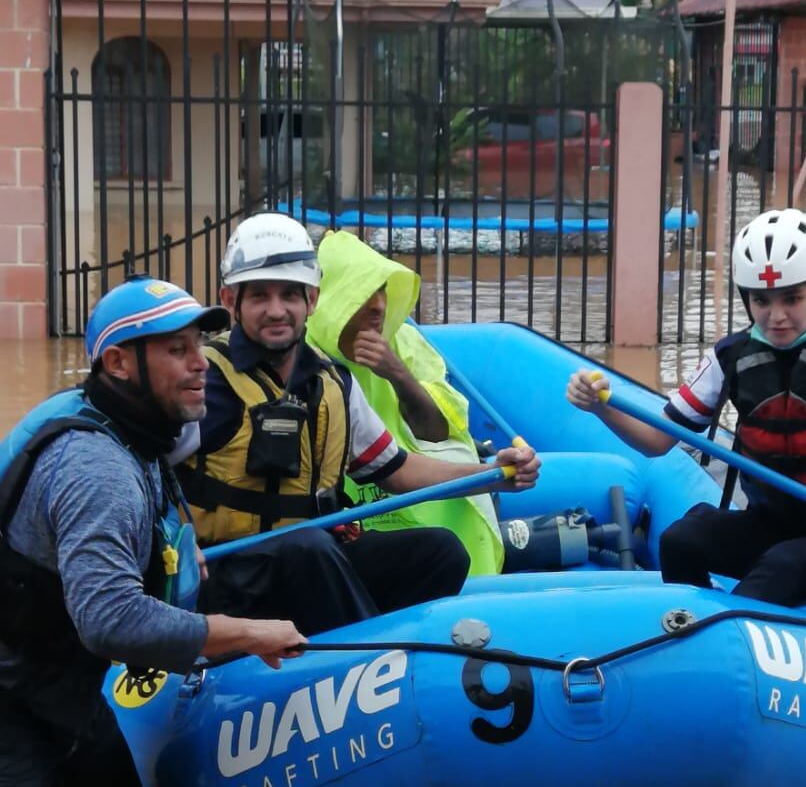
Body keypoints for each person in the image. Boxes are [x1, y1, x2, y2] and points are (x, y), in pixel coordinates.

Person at [0, 277, 307, 787]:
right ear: (118, 362)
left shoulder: (130, 433)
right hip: (10, 702)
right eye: (176, 350)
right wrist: (245, 632)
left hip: (58, 688)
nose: (201, 364)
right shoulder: (96, 467)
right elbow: (112, 620)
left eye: (199, 345)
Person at [567, 207, 806, 607]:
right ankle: (688, 633)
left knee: (783, 566)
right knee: (680, 541)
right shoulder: (731, 357)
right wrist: (601, 407)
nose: (776, 315)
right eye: (761, 300)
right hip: (776, 525)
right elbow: (656, 441)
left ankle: (726, 644)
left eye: (792, 298)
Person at [176, 213, 539, 635]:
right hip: (230, 574)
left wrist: (494, 474)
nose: (277, 311)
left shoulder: (333, 383)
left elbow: (397, 470)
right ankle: (374, 660)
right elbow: (147, 471)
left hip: (316, 558)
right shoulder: (205, 381)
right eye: (260, 296)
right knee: (306, 548)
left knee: (442, 551)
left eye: (290, 295)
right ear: (230, 299)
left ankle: (381, 652)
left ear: (311, 300)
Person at [305, 229, 503, 576]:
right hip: (351, 507)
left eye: (382, 292)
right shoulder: (305, 359)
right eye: (365, 293)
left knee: (448, 547)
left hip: (411, 479)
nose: (379, 306)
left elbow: (437, 433)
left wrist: (397, 374)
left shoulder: (404, 342)